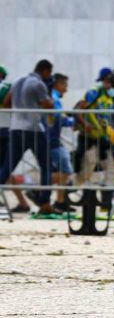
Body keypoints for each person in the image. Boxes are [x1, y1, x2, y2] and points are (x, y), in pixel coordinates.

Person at [0, 60, 56, 214]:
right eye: (49, 73)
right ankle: (45, 203)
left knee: (7, 167)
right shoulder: (38, 84)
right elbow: (47, 105)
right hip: (34, 129)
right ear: (45, 71)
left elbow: (6, 102)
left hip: (16, 128)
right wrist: (49, 99)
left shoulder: (18, 80)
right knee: (46, 166)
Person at [72, 71, 114, 183]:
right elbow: (77, 111)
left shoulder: (112, 97)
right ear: (106, 83)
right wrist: (84, 124)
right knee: (87, 168)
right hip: (88, 137)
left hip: (102, 137)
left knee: (111, 169)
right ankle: (69, 188)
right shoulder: (94, 93)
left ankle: (107, 198)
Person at [0, 66, 32, 213]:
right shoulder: (9, 87)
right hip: (7, 130)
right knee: (5, 170)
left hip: (3, 131)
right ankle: (23, 203)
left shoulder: (5, 87)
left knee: (4, 170)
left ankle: (23, 202)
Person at [47, 73, 75, 212]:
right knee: (66, 170)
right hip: (52, 140)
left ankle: (60, 201)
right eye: (64, 85)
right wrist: (76, 121)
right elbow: (59, 118)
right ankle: (39, 187)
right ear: (57, 84)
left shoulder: (53, 97)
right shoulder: (54, 98)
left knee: (62, 170)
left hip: (52, 139)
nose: (66, 89)